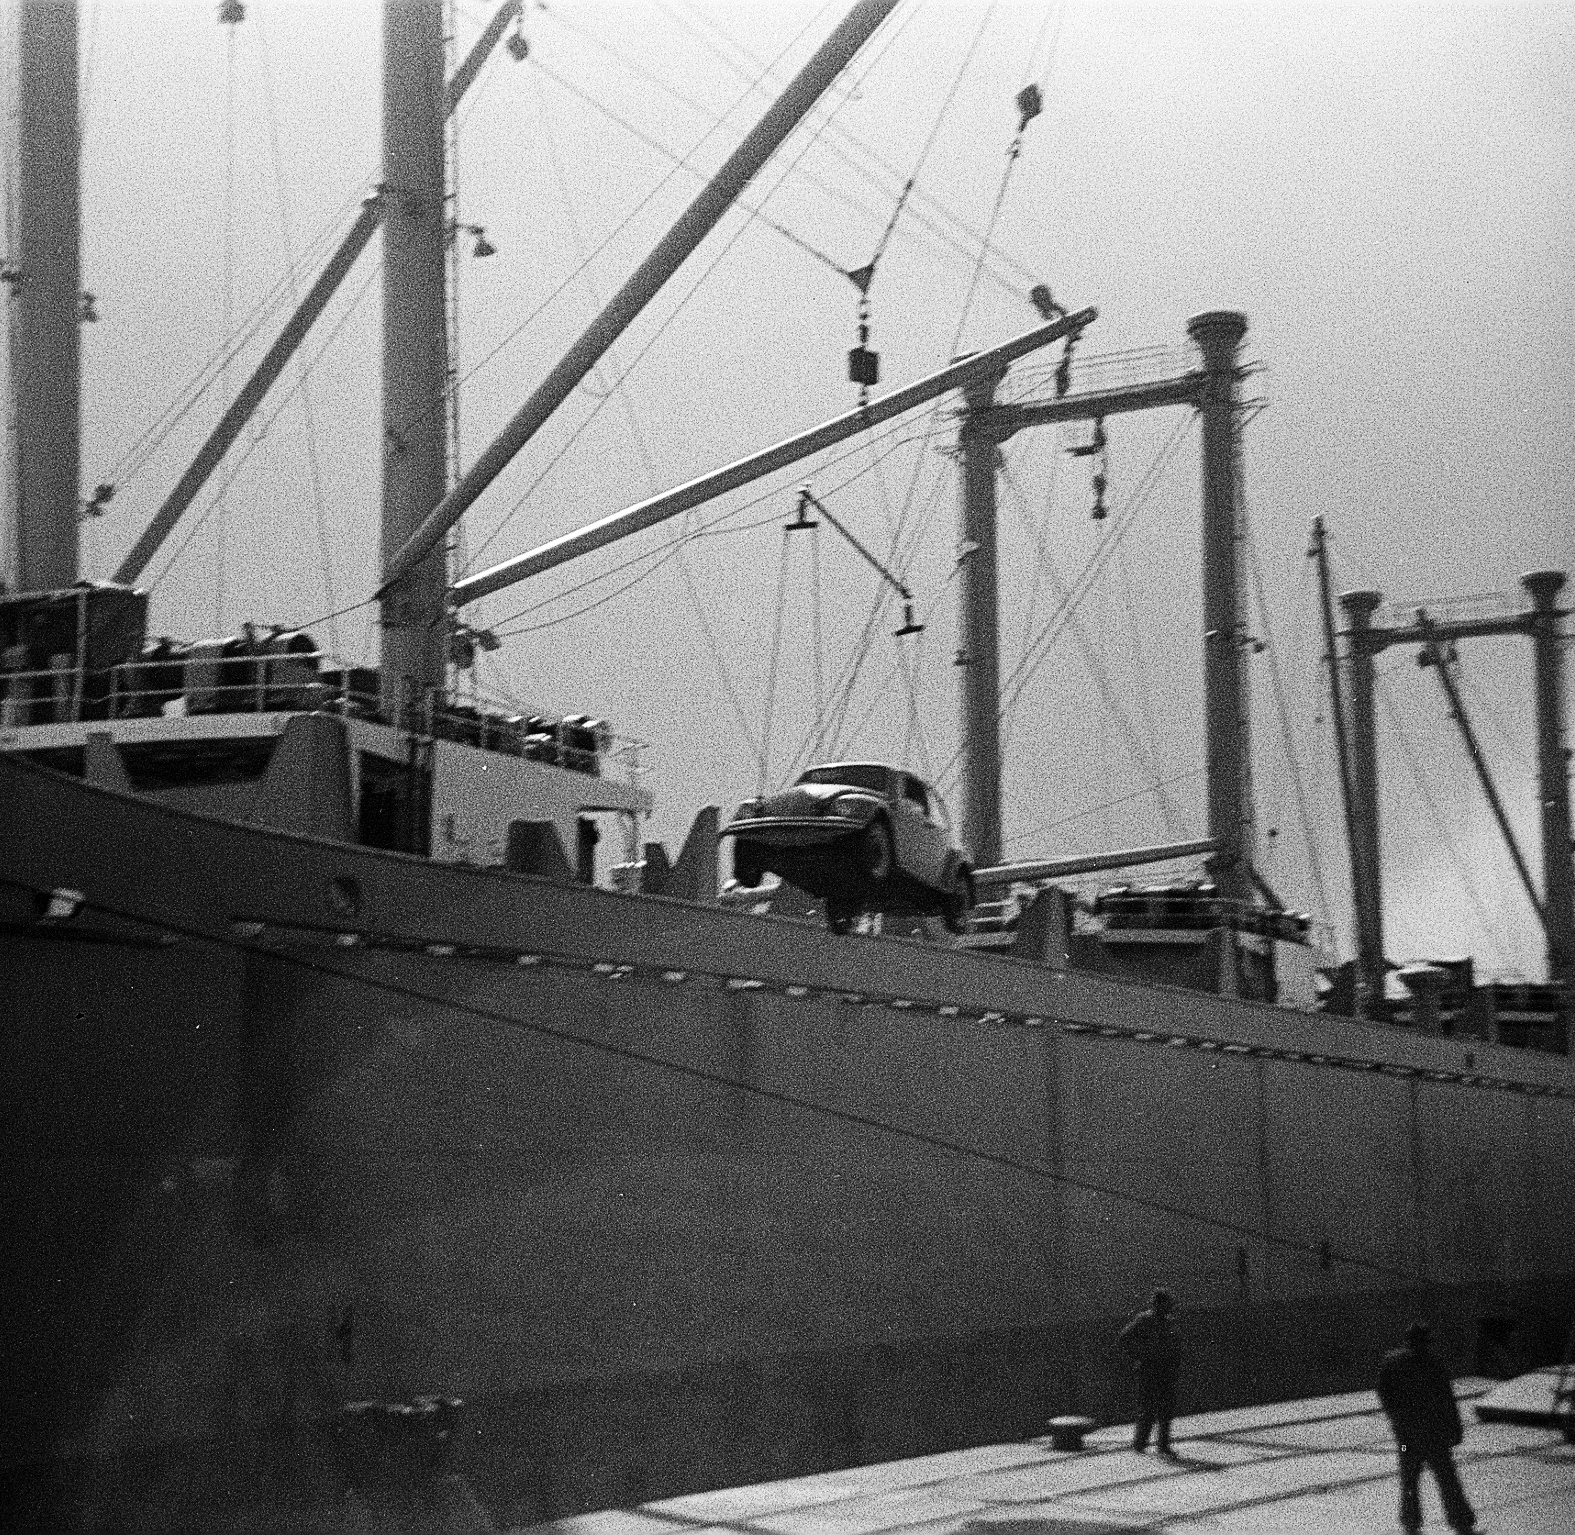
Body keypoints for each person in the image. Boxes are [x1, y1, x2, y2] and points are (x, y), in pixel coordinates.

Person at [1376, 1322, 1477, 1533]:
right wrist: (1456, 1429)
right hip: (1435, 1436)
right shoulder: (1434, 1363)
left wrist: (1397, 1420)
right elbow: (1447, 1400)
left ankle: (1411, 1521)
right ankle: (1461, 1520)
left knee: (1409, 1478)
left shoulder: (1392, 1363)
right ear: (1426, 1342)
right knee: (1447, 1478)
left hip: (1406, 1439)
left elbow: (1384, 1394)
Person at [1120, 1288, 1182, 1455]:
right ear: (1157, 1305)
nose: (1169, 1308)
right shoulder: (1144, 1320)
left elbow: (1175, 1345)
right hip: (1149, 1369)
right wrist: (1141, 1354)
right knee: (1147, 1408)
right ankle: (1140, 1443)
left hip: (1165, 1369)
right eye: (1165, 1304)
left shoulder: (1169, 1322)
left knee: (1165, 1408)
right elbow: (1125, 1337)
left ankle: (1162, 1444)